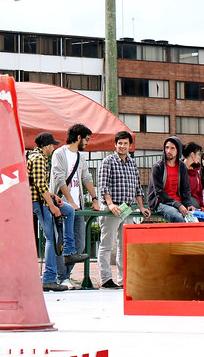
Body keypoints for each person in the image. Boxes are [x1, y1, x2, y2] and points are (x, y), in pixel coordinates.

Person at [97, 130, 150, 289]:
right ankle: (106, 279)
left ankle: (123, 280)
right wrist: (110, 203)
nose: (122, 146)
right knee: (106, 245)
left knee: (123, 246)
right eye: (120, 143)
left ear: (130, 146)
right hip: (111, 209)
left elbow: (137, 187)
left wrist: (141, 206)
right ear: (115, 144)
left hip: (128, 209)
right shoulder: (108, 161)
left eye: (125, 143)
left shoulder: (132, 163)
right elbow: (103, 185)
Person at [28, 132, 80, 292]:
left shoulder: (39, 158)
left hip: (43, 200)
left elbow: (39, 185)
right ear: (46, 146)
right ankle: (49, 278)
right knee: (51, 238)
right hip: (40, 202)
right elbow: (40, 186)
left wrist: (54, 197)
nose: (53, 148)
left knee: (69, 210)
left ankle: (69, 251)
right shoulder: (37, 159)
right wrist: (52, 205)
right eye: (52, 145)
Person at [50, 124, 98, 287]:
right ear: (78, 138)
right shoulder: (59, 153)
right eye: (86, 139)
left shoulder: (80, 157)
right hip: (62, 205)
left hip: (78, 207)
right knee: (62, 242)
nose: (87, 143)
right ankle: (61, 277)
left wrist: (95, 198)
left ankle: (66, 275)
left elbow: (86, 177)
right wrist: (70, 200)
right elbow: (59, 177)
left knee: (79, 243)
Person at [146, 136, 198, 223]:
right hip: (161, 202)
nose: (168, 151)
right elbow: (159, 192)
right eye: (167, 148)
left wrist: (188, 204)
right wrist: (177, 205)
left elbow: (185, 190)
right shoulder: (158, 167)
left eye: (172, 148)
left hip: (179, 202)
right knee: (177, 217)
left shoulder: (182, 166)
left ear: (178, 150)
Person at [182, 142, 204, 221]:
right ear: (192, 155)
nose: (199, 157)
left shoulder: (196, 172)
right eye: (198, 154)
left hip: (196, 208)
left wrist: (203, 208)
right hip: (185, 207)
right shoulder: (180, 170)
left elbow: (199, 192)